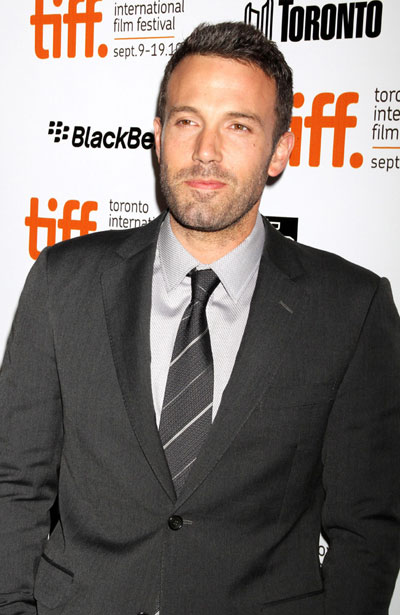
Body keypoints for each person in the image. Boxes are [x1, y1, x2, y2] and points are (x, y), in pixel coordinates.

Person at [0, 21, 399, 615]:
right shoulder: (64, 280)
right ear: (159, 136)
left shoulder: (351, 307)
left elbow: (368, 527)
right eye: (188, 121)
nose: (206, 151)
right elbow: (13, 483)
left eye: (238, 125)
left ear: (280, 150)